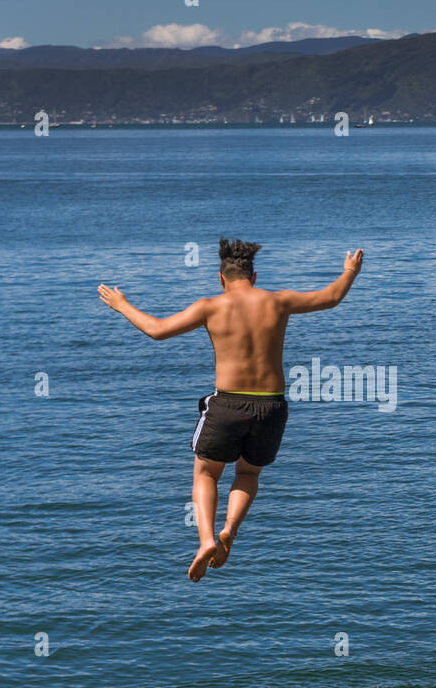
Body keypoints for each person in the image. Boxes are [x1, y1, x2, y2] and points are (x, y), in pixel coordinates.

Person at [98, 238, 364, 581]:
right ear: (254, 276)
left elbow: (157, 330)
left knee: (207, 474)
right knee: (249, 474)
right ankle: (229, 532)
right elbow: (331, 298)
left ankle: (206, 539)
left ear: (221, 278)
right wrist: (349, 272)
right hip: (271, 406)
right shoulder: (278, 301)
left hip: (227, 404)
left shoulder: (210, 306)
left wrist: (122, 305)